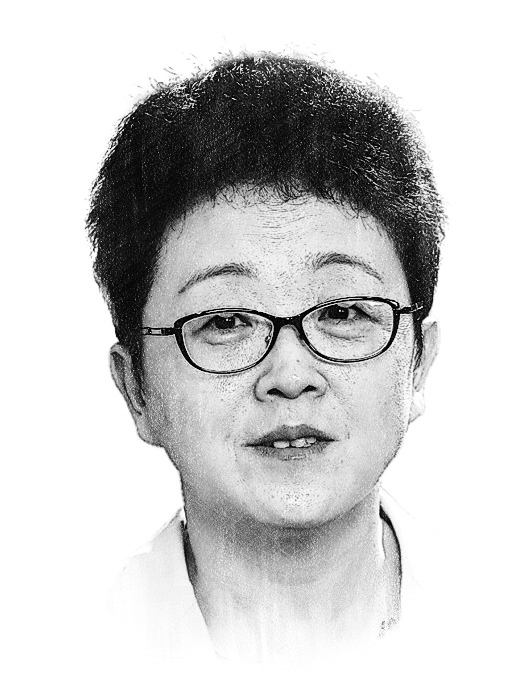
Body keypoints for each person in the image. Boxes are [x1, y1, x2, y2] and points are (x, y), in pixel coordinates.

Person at [87, 53, 443, 662]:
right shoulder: (52, 662)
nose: (291, 376)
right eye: (225, 321)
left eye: (342, 312)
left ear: (418, 364)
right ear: (136, 389)